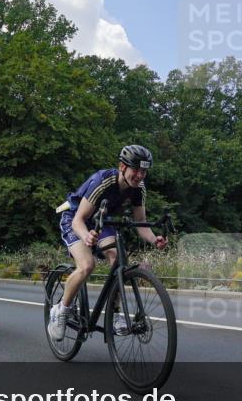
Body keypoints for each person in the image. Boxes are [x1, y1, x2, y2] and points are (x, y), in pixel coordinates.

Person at [48, 145, 168, 341]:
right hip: (75, 218)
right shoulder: (104, 181)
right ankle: (60, 310)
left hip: (103, 221)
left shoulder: (139, 189)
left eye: (144, 171)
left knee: (118, 260)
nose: (139, 175)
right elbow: (79, 220)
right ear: (122, 166)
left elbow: (141, 224)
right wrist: (86, 236)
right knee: (87, 265)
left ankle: (115, 314)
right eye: (136, 170)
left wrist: (155, 239)